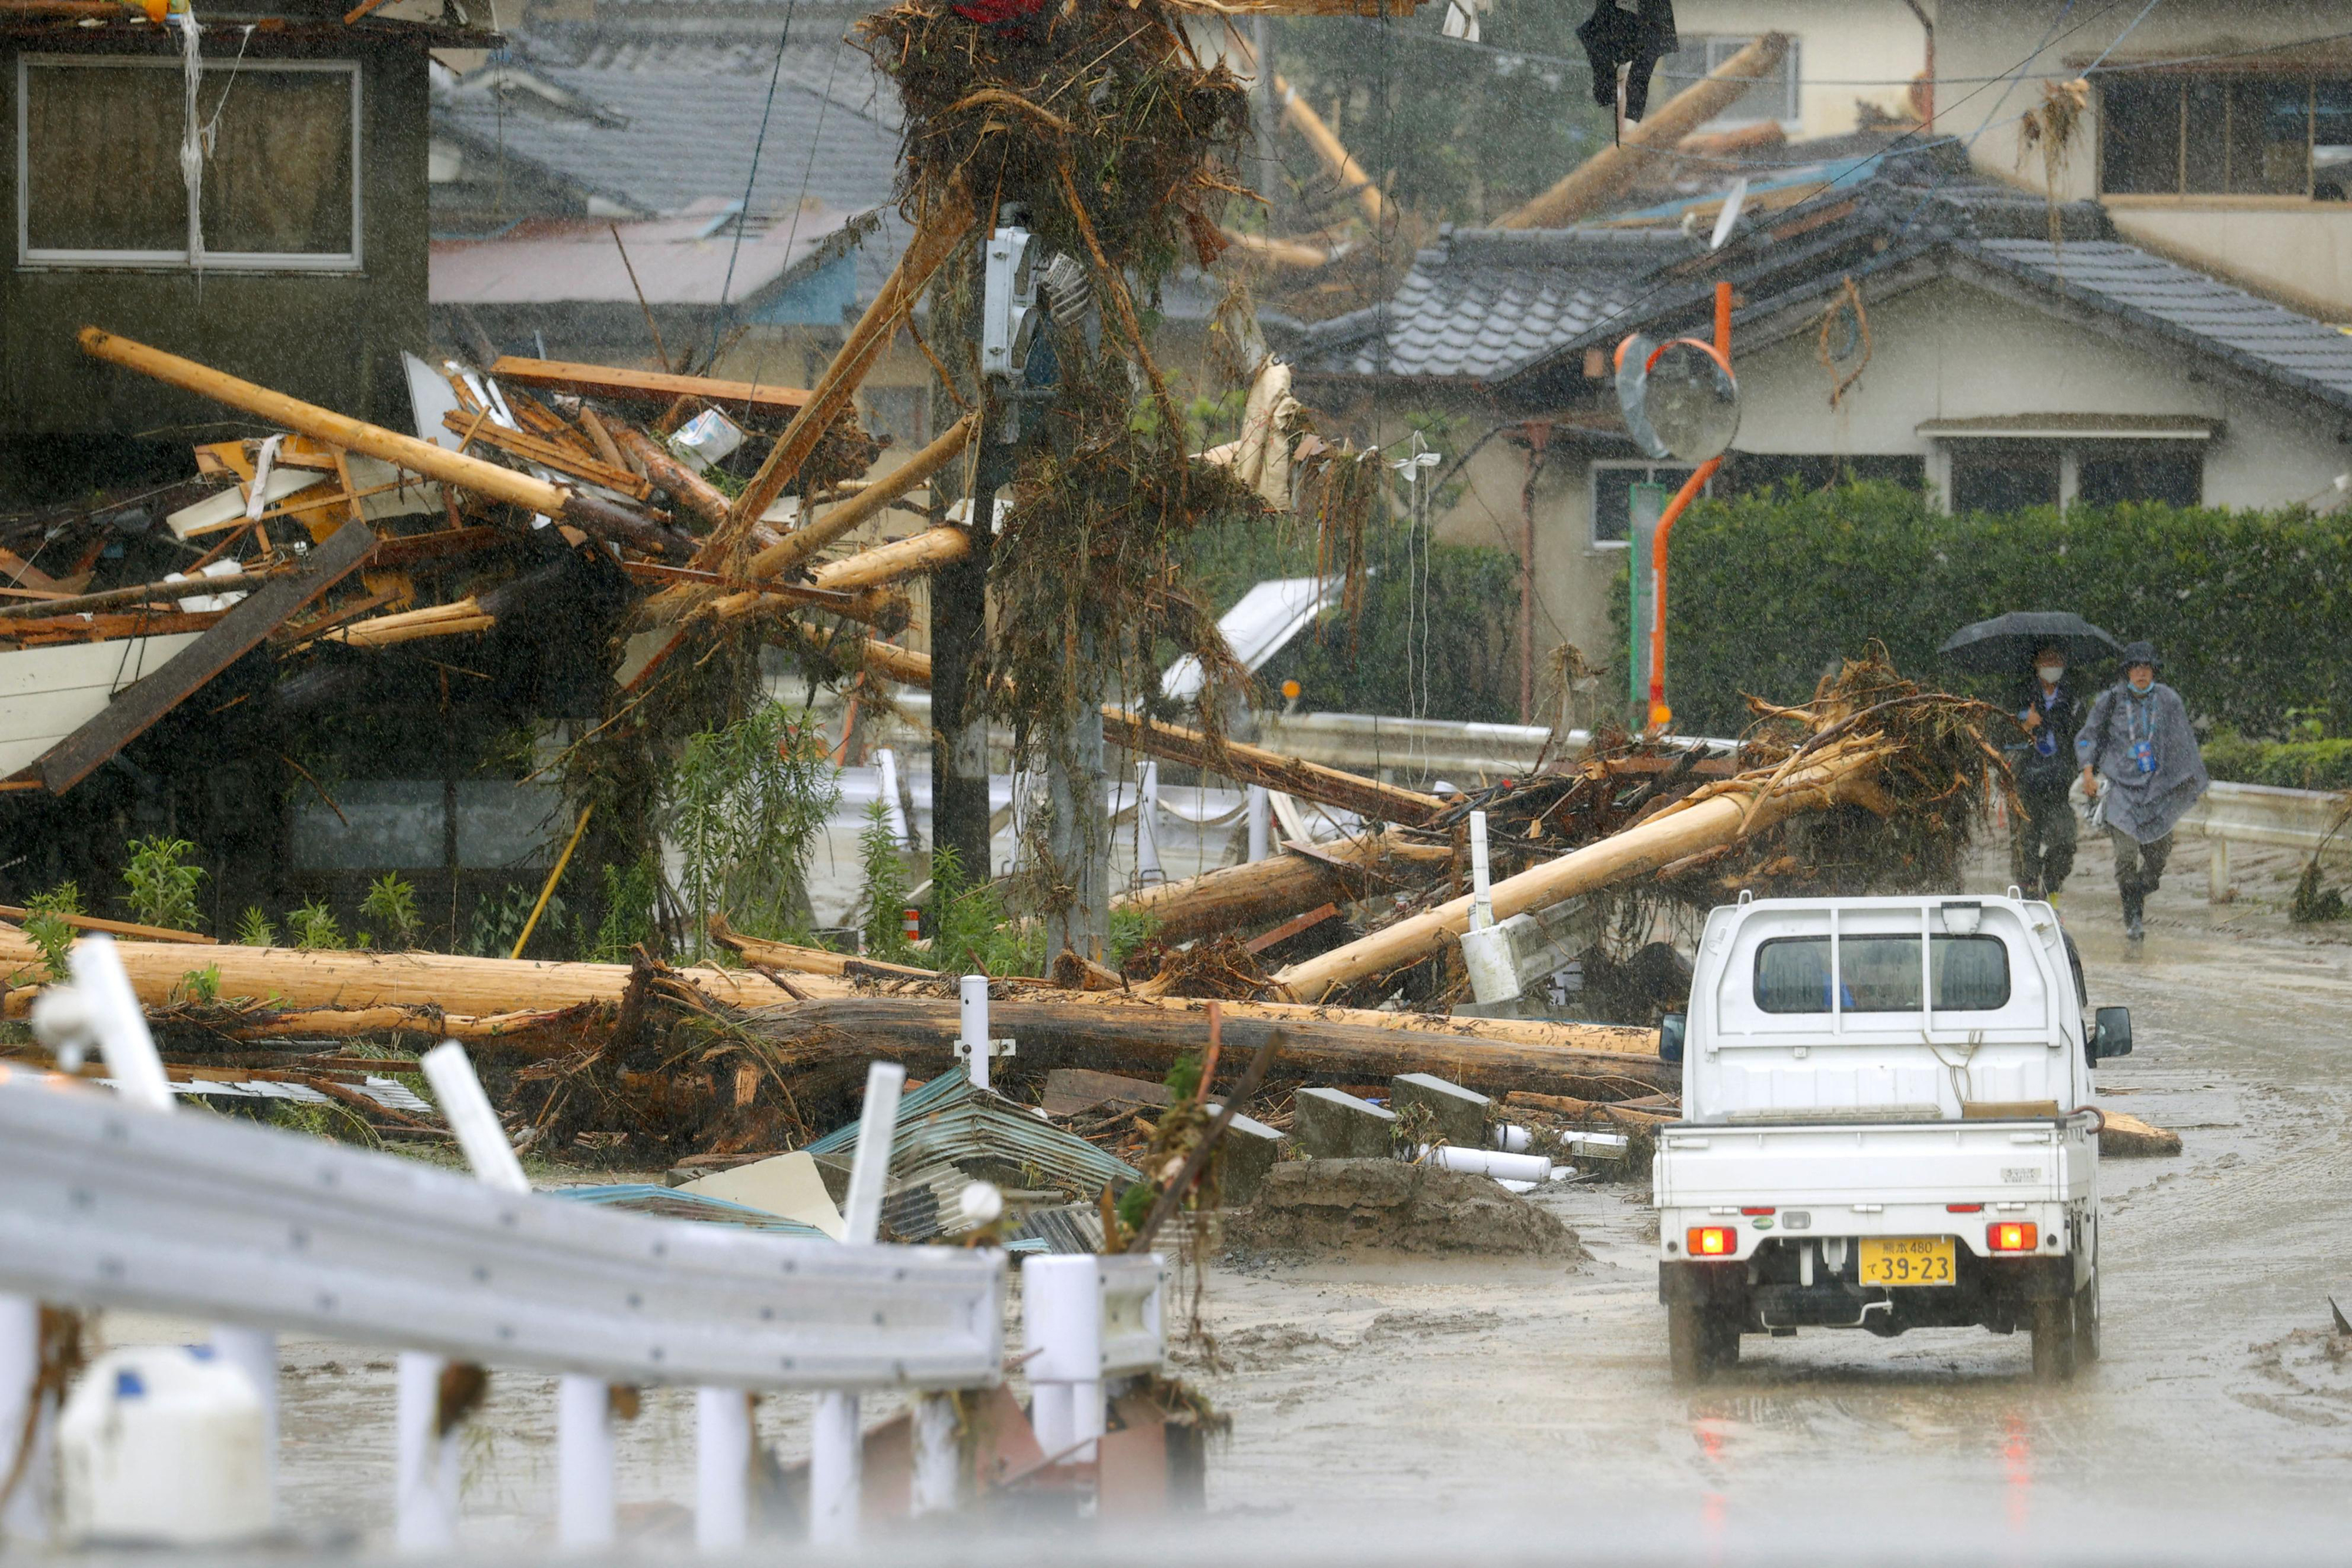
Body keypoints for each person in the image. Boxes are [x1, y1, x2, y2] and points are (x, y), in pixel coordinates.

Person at [2077, 641, 2210, 941]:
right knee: (2125, 857)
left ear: (2154, 671)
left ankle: (2139, 890)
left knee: (2157, 858)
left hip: (2158, 790)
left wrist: (2188, 780)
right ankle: (2132, 914)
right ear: (2127, 671)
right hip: (2121, 789)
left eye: (2146, 667)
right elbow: (2089, 737)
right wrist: (2088, 772)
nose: (2141, 673)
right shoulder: (2109, 701)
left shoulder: (2168, 701)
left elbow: (2184, 744)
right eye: (2136, 667)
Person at [2009, 643, 2083, 900]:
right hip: (2027, 781)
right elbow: (2004, 738)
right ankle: (2028, 894)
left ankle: (2051, 887)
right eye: (2046, 660)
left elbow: (2084, 737)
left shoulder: (2073, 698)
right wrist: (2026, 727)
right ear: (2036, 664)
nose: (2052, 666)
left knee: (2065, 842)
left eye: (2057, 660)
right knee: (2025, 844)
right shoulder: (2020, 695)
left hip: (2060, 782)